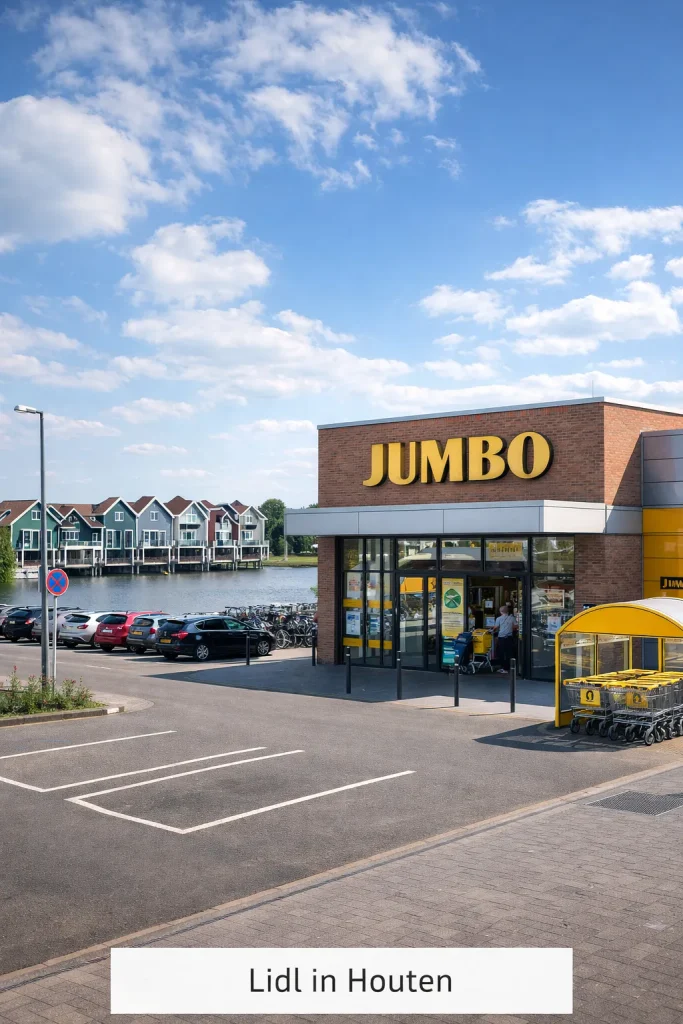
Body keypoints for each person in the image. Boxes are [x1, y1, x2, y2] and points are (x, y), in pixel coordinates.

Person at [493, 602, 517, 673]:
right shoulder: (512, 618)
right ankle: (509, 667)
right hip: (509, 637)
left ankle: (504, 668)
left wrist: (491, 629)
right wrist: (510, 628)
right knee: (509, 653)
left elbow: (496, 627)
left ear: (501, 612)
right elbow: (516, 626)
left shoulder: (499, 619)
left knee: (501, 653)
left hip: (501, 637)